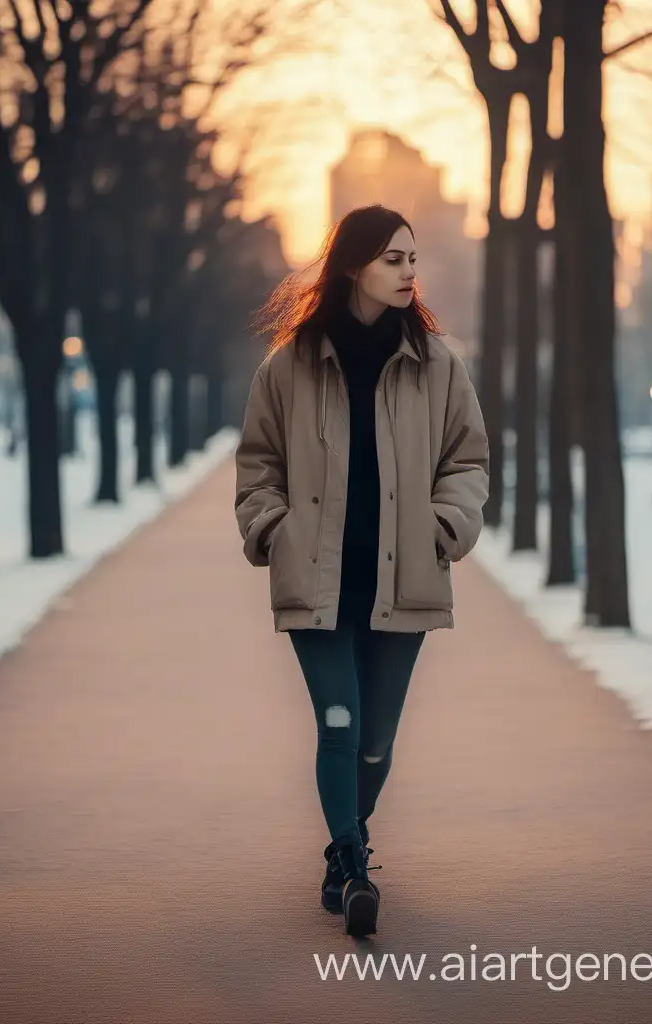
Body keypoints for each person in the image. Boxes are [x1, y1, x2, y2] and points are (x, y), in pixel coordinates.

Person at [234, 205, 489, 937]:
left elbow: (467, 460)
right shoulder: (290, 364)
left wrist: (446, 525)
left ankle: (343, 848)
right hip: (317, 583)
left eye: (414, 258)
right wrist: (272, 530)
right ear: (353, 266)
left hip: (402, 578)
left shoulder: (438, 363)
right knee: (339, 725)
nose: (410, 271)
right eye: (393, 259)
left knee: (376, 739)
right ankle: (351, 864)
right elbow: (259, 465)